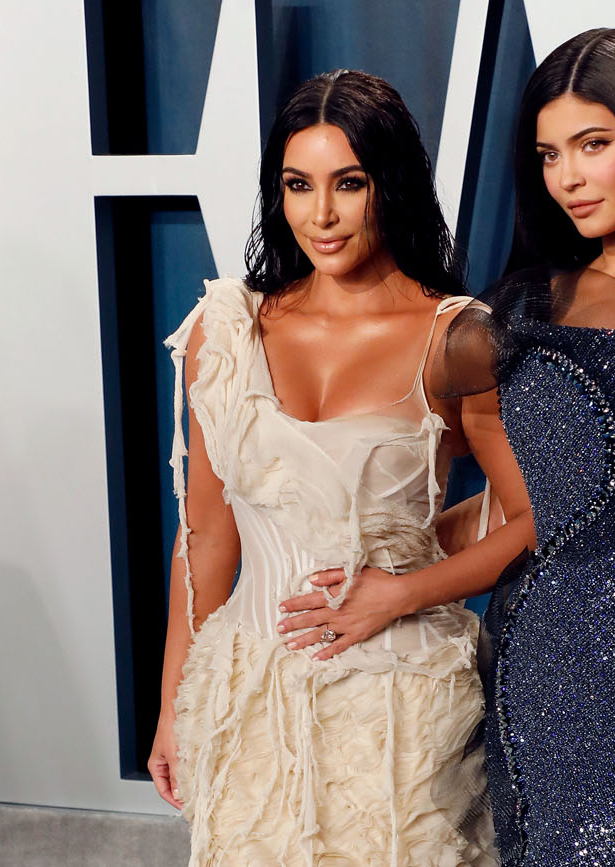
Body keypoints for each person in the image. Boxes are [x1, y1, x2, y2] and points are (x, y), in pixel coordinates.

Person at [283, 28, 615, 866]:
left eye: (593, 144)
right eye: (548, 154)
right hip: (532, 685)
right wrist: (382, 559)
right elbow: (536, 505)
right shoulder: (541, 295)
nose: (567, 176)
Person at [148, 69, 532, 866]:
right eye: (298, 185)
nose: (320, 214)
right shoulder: (226, 331)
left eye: (348, 184)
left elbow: (535, 518)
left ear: (390, 185)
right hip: (248, 691)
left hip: (400, 702)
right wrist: (172, 706)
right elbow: (205, 536)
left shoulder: (455, 336)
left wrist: (403, 590)